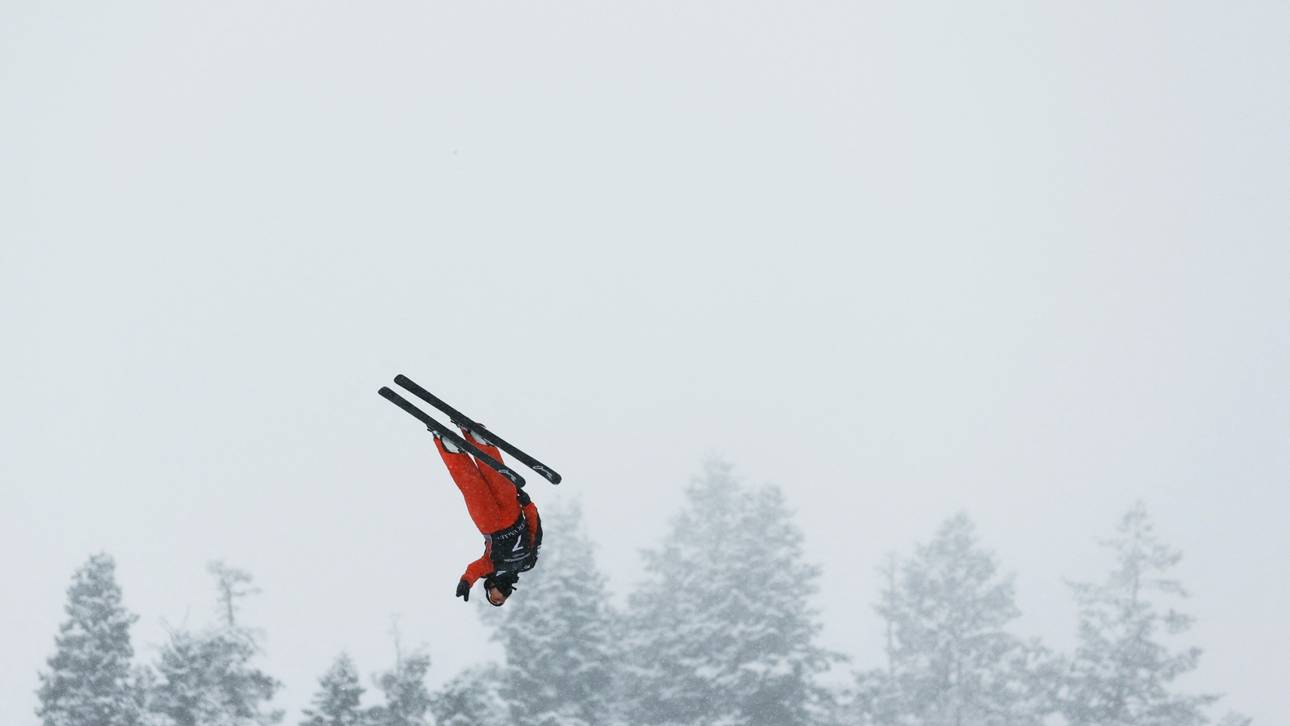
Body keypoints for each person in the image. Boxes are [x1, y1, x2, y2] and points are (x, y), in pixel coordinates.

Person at [433, 426, 541, 606]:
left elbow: (475, 569)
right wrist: (528, 505)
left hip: (490, 524)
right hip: (513, 515)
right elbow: (535, 531)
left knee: (472, 486)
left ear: (489, 589)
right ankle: (480, 441)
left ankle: (451, 449)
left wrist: (466, 581)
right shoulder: (528, 564)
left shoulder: (490, 567)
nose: (501, 596)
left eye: (495, 598)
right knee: (499, 479)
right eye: (502, 599)